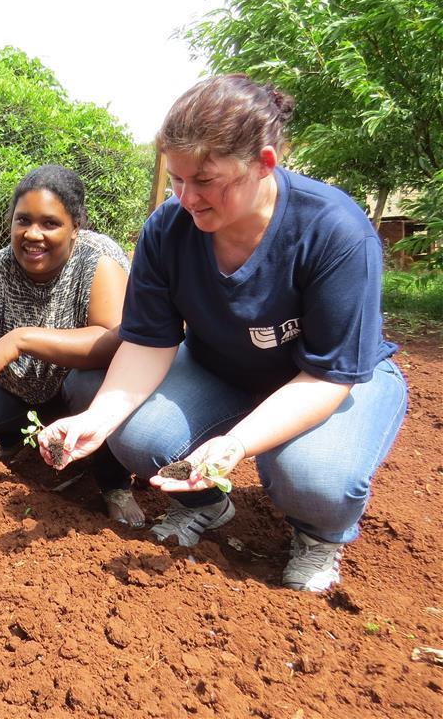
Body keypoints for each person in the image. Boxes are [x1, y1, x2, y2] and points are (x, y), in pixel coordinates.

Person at [39, 75, 408, 593]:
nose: (187, 198)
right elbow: (149, 342)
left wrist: (233, 444)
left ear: (263, 163)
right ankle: (207, 506)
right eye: (176, 180)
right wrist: (97, 419)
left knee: (313, 476)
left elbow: (328, 376)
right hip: (225, 368)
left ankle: (319, 535)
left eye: (206, 180)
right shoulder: (168, 229)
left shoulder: (333, 230)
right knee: (136, 432)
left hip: (331, 378)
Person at [0, 165, 143, 526]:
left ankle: (113, 482)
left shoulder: (99, 263)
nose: (33, 234)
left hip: (82, 383)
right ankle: (10, 438)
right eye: (23, 221)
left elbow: (114, 337)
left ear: (76, 227)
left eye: (50, 223)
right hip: (22, 389)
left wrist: (22, 338)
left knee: (93, 387)